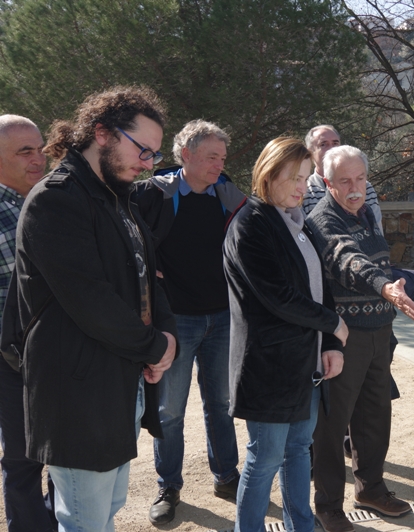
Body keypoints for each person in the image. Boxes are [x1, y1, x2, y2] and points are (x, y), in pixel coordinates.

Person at [2, 86, 178, 531]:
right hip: (76, 395)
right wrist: (153, 345)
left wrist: (165, 337)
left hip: (116, 385)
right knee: (85, 521)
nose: (147, 163)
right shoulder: (55, 199)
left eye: (154, 156)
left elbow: (149, 278)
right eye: (142, 149)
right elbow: (90, 299)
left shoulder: (118, 198)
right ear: (102, 133)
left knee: (106, 509)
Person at [223, 137, 347, 532]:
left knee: (298, 452)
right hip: (269, 368)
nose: (300, 186)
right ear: (267, 173)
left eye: (306, 178)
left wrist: (328, 344)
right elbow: (279, 297)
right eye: (292, 177)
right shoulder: (251, 224)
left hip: (304, 365)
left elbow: (320, 288)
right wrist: (333, 325)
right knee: (264, 459)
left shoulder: (299, 223)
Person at [132, 120, 244, 525]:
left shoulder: (228, 196)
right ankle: (169, 486)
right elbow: (126, 241)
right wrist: (147, 273)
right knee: (169, 412)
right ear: (186, 156)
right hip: (175, 322)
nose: (219, 164)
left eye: (222, 158)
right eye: (211, 157)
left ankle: (227, 476)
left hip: (222, 318)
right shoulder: (151, 195)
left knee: (222, 405)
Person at [305, 145, 414, 532]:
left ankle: (371, 488)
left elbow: (378, 263)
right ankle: (328, 505)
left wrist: (394, 282)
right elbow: (347, 258)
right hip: (344, 340)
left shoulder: (367, 213)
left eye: (360, 179)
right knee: (332, 425)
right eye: (344, 181)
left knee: (374, 417)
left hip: (379, 335)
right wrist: (385, 287)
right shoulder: (321, 219)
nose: (354, 188)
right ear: (327, 183)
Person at [0, 115, 55, 531]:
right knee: (21, 461)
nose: (40, 158)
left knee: (63, 454)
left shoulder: (51, 201)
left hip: (61, 356)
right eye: (25, 151)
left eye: (41, 148)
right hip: (11, 363)